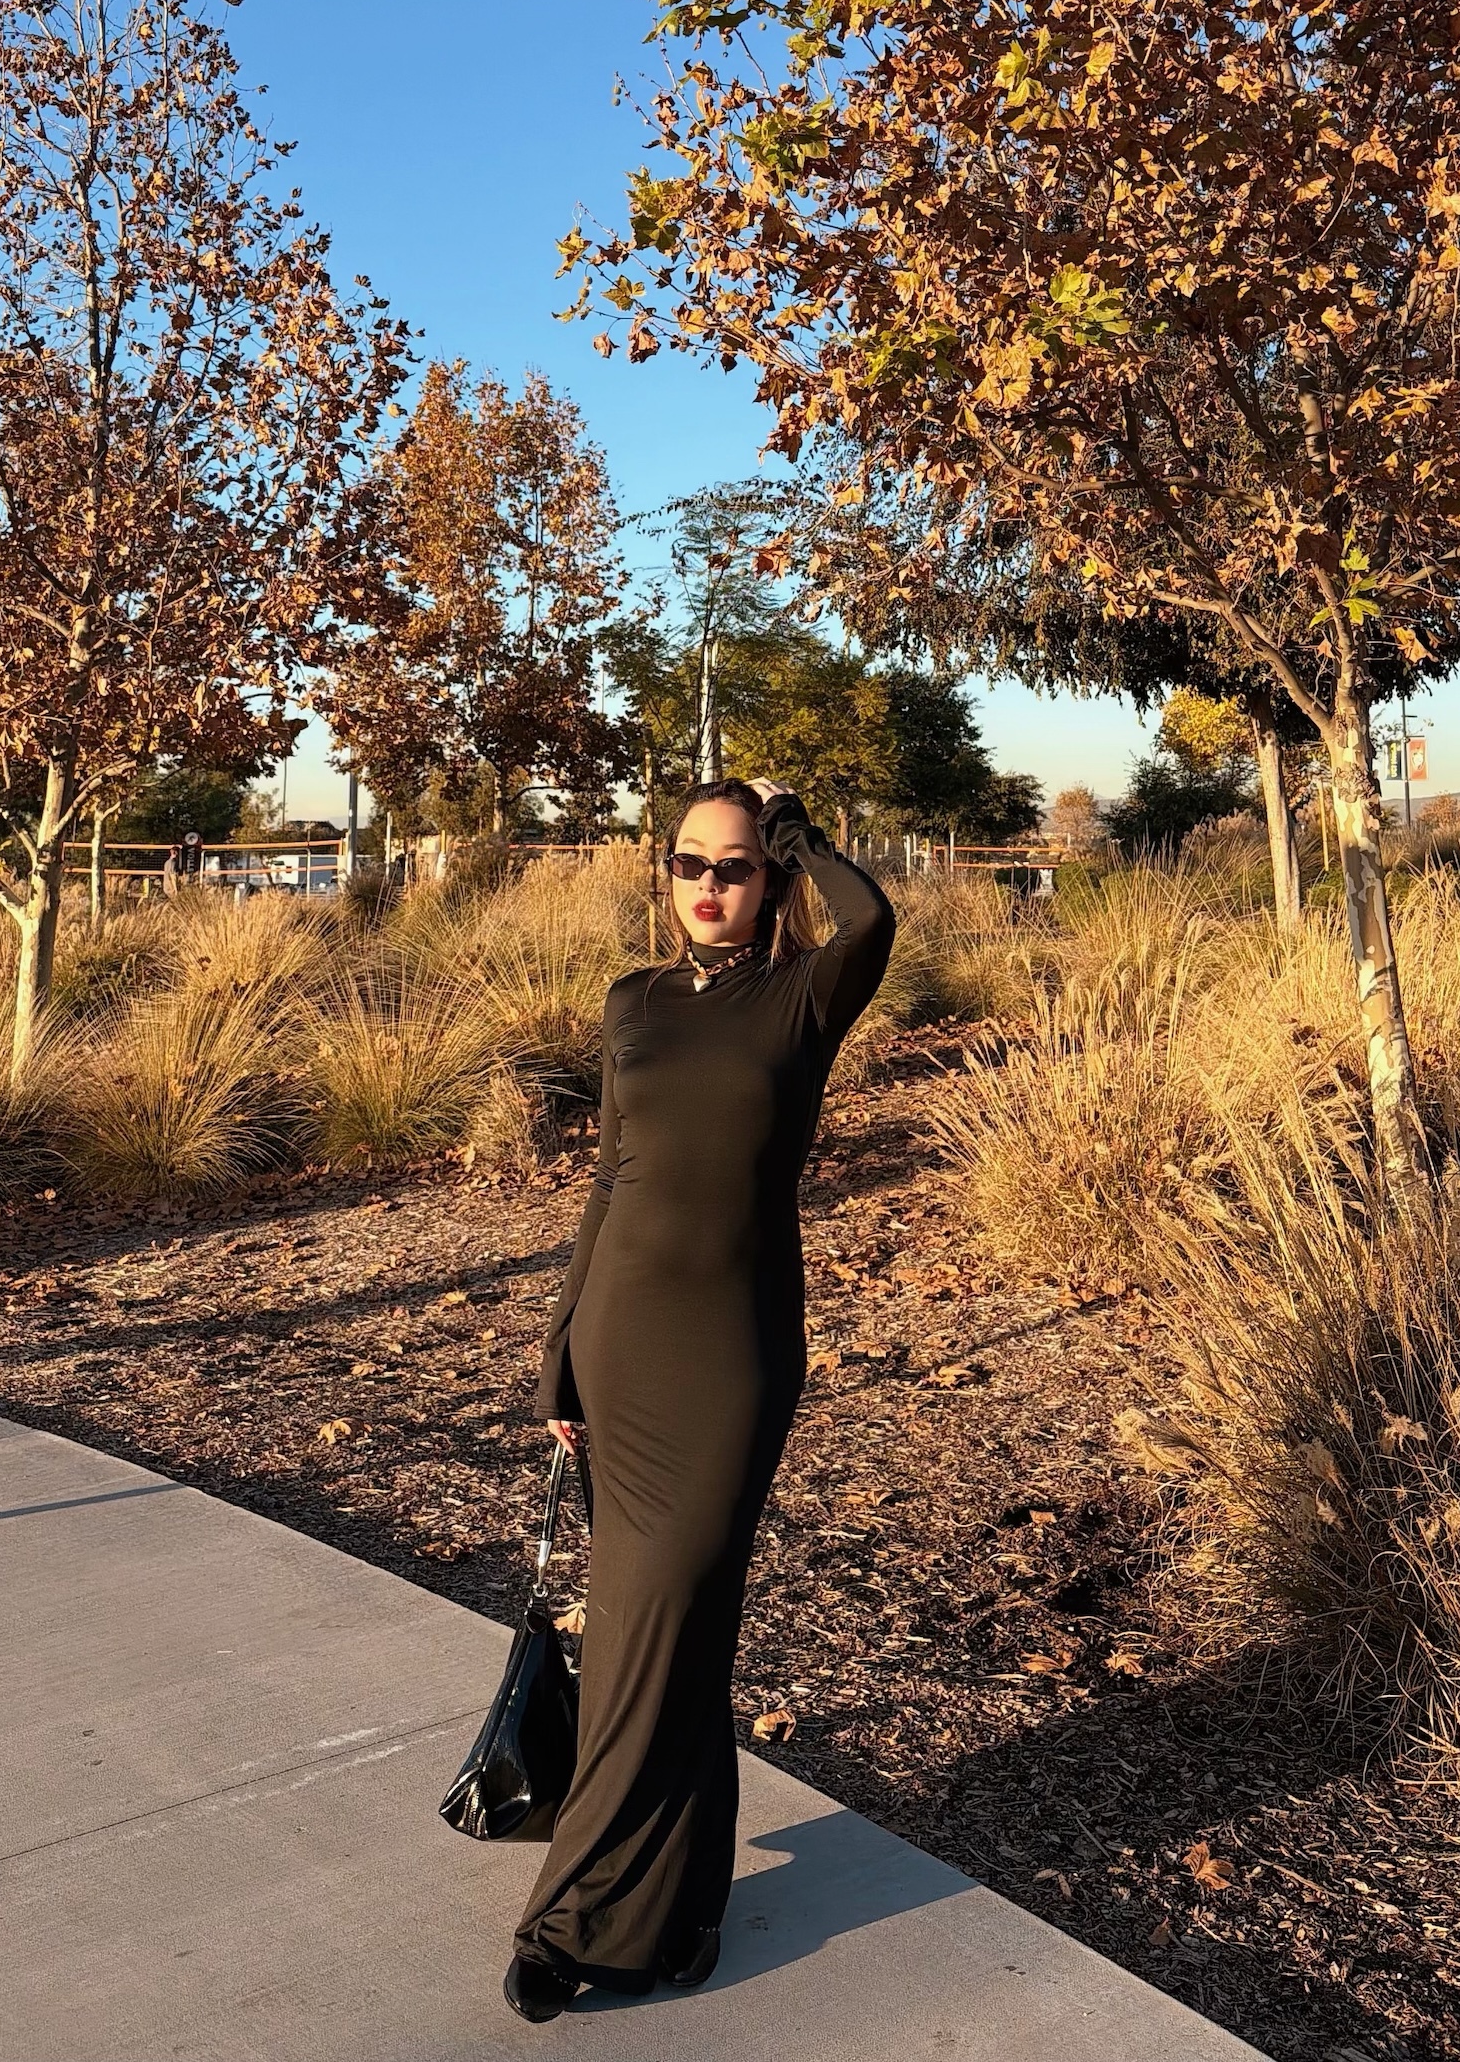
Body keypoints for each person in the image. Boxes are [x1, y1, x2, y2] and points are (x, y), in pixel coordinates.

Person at [504, 775, 895, 2022]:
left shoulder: (804, 996)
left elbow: (871, 918)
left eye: (735, 865)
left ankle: (572, 1920)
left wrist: (797, 831)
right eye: (689, 863)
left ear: (768, 879)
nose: (709, 886)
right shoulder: (633, 1000)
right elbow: (609, 1180)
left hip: (731, 1356)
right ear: (663, 874)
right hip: (619, 1338)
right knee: (673, 1635)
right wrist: (560, 1344)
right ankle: (688, 1901)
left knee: (655, 1619)